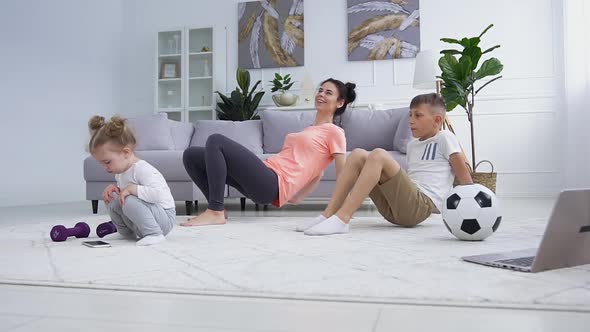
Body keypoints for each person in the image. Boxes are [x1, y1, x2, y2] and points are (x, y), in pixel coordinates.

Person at [181, 78, 357, 226]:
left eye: (328, 93)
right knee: (192, 155)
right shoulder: (309, 130)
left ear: (340, 103)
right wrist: (300, 192)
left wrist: (344, 209)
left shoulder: (334, 132)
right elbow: (305, 184)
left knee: (216, 140)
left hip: (272, 182)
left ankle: (215, 210)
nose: (321, 94)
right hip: (265, 178)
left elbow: (343, 173)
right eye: (320, 90)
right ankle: (218, 208)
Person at [300, 93, 473, 235]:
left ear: (437, 120)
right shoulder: (413, 144)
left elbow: (463, 174)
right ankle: (328, 214)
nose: (411, 120)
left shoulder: (444, 137)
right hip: (395, 211)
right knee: (358, 154)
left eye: (418, 115)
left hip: (422, 206)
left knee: (378, 155)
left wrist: (471, 203)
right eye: (410, 115)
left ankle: (343, 218)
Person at [88, 115, 175, 246]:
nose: (105, 167)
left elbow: (157, 194)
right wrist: (116, 189)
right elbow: (124, 196)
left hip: (163, 219)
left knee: (128, 200)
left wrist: (132, 189)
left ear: (126, 153)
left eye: (107, 162)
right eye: (101, 164)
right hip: (141, 219)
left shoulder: (142, 169)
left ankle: (154, 234)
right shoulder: (121, 172)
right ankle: (125, 233)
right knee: (113, 197)